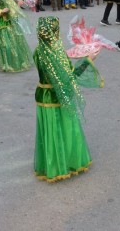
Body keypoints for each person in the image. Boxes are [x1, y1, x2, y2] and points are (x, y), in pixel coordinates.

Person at [33, 16, 103, 182]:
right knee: (64, 128)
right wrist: (88, 60)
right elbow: (70, 77)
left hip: (42, 94)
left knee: (50, 130)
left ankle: (52, 164)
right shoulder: (57, 54)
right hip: (58, 95)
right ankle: (64, 164)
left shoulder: (38, 51)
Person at [0, 0, 33, 73]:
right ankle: (8, 63)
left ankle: (12, 62)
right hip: (4, 25)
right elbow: (12, 12)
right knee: (8, 44)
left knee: (14, 42)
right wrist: (18, 4)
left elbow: (18, 5)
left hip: (10, 23)